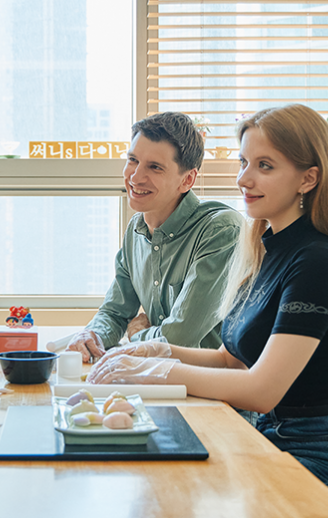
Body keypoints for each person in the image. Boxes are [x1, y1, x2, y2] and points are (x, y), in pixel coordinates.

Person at [88, 104, 328, 518]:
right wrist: (158, 352)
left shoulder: (317, 262)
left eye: (265, 166)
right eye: (243, 162)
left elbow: (260, 389)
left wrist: (158, 371)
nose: (244, 178)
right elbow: (233, 360)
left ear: (309, 178)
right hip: (278, 440)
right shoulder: (270, 247)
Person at [67, 112, 242, 362]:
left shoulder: (221, 230)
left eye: (155, 167)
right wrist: (91, 335)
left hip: (211, 390)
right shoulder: (135, 230)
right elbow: (116, 312)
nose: (135, 177)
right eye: (132, 160)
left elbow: (179, 338)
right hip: (158, 378)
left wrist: (137, 334)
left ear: (187, 180)